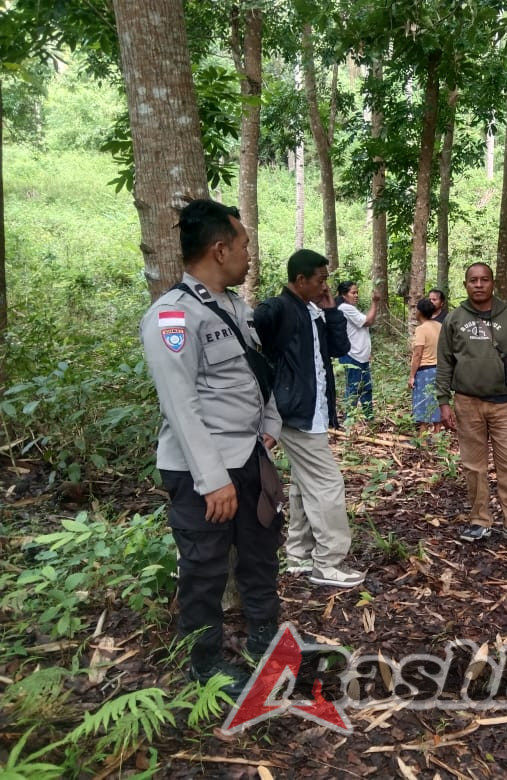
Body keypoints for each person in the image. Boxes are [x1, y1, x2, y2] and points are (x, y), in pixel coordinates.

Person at [139, 199, 282, 695]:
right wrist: (213, 479)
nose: (248, 253)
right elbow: (180, 407)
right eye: (243, 245)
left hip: (249, 456)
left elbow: (253, 375)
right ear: (220, 249)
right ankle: (204, 663)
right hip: (205, 470)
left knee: (261, 554)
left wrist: (271, 422)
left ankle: (267, 641)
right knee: (204, 567)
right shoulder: (173, 316)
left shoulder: (235, 308)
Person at [254, 250, 365, 590]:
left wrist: (331, 310)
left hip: (311, 411)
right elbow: (254, 338)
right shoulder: (277, 308)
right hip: (294, 412)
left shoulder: (311, 310)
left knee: (303, 483)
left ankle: (299, 555)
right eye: (319, 279)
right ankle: (329, 562)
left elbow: (338, 347)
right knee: (329, 484)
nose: (324, 285)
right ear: (300, 280)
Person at [435, 262, 507, 547]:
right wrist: (443, 401)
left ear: (493, 283)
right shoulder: (454, 319)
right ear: (465, 284)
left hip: (505, 403)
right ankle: (479, 520)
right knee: (474, 465)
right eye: (473, 280)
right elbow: (444, 361)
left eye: (484, 280)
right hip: (467, 402)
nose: (478, 285)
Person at [335, 280, 380, 423]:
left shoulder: (350, 308)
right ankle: (349, 421)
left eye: (357, 292)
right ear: (344, 294)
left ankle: (369, 418)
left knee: (366, 388)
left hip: (360, 355)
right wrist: (374, 302)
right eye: (353, 292)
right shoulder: (344, 308)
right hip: (352, 355)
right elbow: (367, 321)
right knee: (354, 389)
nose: (356, 295)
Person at [410, 298, 443, 434]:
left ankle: (422, 436)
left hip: (425, 370)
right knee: (436, 399)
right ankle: (437, 432)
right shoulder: (439, 326)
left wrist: (412, 375)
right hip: (440, 369)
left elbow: (418, 354)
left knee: (422, 402)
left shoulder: (421, 329)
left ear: (420, 312)